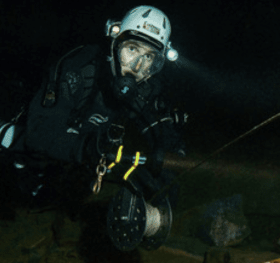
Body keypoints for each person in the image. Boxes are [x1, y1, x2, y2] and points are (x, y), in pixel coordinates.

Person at [15, 5, 185, 249]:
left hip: (86, 156)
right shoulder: (78, 68)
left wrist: (164, 193)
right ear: (115, 42)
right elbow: (38, 132)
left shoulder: (146, 90)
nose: (136, 67)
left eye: (148, 58)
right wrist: (87, 146)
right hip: (49, 150)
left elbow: (168, 142)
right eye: (132, 49)